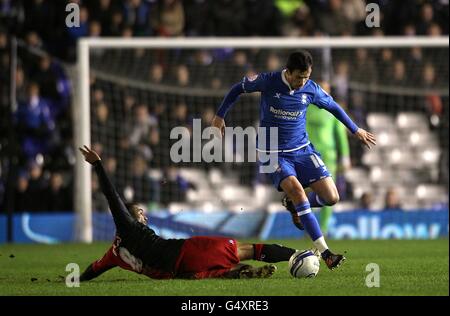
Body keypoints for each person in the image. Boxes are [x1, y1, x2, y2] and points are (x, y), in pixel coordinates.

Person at [212, 50, 376, 270]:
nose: (303, 81)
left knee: (332, 197)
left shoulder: (311, 89)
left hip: (302, 149)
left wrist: (356, 130)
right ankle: (325, 252)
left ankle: (295, 205)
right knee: (298, 191)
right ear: (288, 72)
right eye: (299, 76)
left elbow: (334, 107)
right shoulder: (268, 81)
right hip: (272, 151)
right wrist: (220, 116)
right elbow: (237, 89)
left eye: (306, 76)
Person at [78, 145, 296, 281]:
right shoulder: (128, 226)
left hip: (175, 271)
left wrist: (76, 278)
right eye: (140, 212)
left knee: (213, 269)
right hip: (183, 253)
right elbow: (113, 198)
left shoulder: (113, 254)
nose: (144, 216)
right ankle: (296, 255)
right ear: (129, 215)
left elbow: (94, 269)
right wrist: (98, 165)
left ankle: (237, 272)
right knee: (244, 249)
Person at [306, 81, 351, 235]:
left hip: (328, 155)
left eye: (327, 88)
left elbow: (340, 134)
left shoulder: (333, 108)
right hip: (308, 154)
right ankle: (308, 226)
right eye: (322, 88)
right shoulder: (305, 106)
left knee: (329, 193)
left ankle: (323, 229)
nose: (324, 91)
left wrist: (345, 156)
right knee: (306, 191)